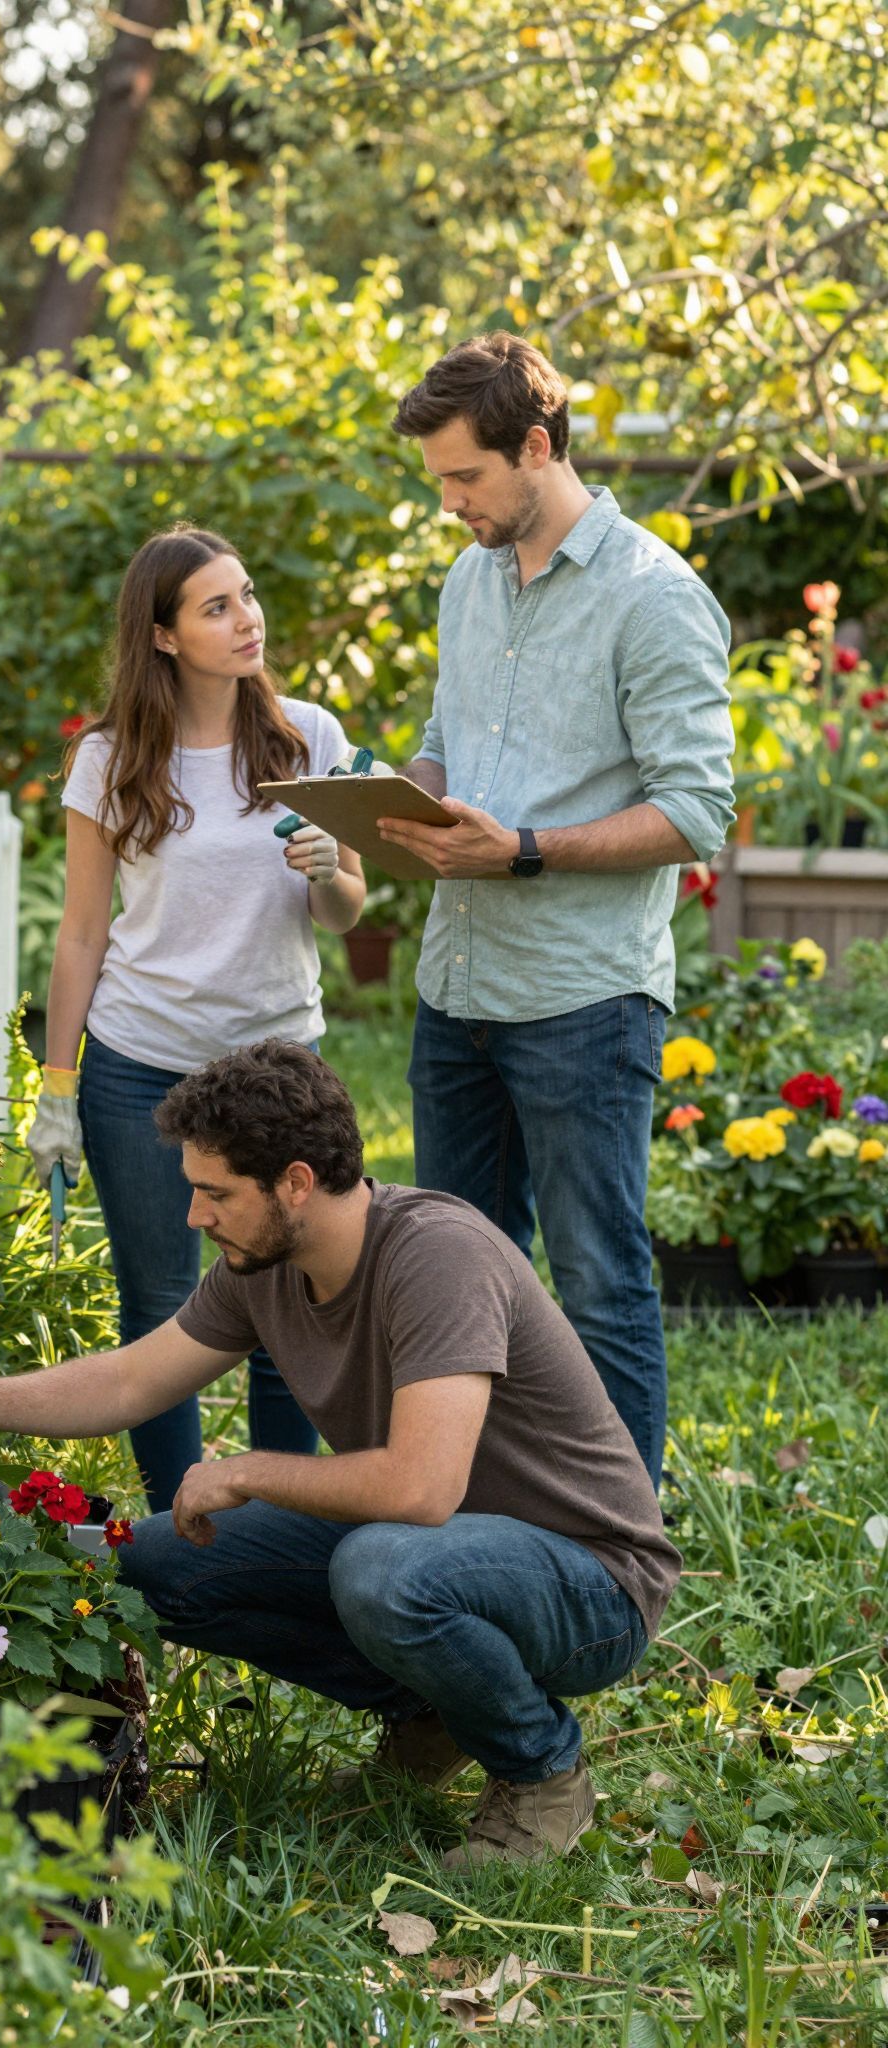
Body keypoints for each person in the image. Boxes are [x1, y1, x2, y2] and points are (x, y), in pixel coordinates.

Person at [0, 1040, 681, 1869]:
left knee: (381, 1574)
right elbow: (132, 1380)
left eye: (216, 1193)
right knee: (153, 1566)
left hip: (590, 1583)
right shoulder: (263, 1266)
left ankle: (542, 1771)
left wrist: (247, 1470)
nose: (195, 1216)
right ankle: (438, 1712)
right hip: (442, 1550)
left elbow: (422, 1488)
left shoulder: (438, 1257)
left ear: (296, 1182)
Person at [380, 334, 735, 1489]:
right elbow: (447, 745)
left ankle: (620, 1542)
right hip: (457, 986)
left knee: (599, 1281)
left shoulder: (654, 596)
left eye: (465, 476)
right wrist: (391, 803)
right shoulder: (468, 581)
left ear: (536, 446)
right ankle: (484, 1508)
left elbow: (697, 812)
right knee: (450, 1277)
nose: (450, 502)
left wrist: (523, 850)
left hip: (584, 998)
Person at [25, 525, 367, 1513]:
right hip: (142, 1062)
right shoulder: (110, 758)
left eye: (247, 595)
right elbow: (82, 932)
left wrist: (331, 870)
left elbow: (344, 914)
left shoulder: (309, 738)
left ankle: (282, 1523)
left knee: (293, 1298)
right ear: (164, 635)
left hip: (280, 1066)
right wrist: (57, 1087)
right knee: (159, 1304)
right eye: (218, 606)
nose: (248, 618)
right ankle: (181, 1536)